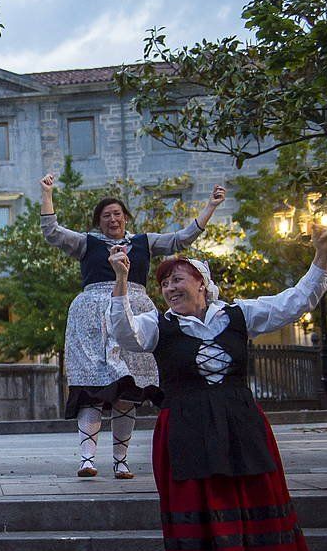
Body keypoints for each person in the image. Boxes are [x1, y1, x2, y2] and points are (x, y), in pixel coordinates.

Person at [109, 223, 327, 551]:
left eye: (179, 278)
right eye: (165, 281)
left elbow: (294, 302)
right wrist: (119, 281)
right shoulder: (159, 325)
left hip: (242, 433)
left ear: (201, 283)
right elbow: (126, 335)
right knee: (210, 545)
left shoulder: (238, 314)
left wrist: (322, 257)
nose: (171, 287)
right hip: (189, 435)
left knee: (253, 544)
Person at [40, 174, 227, 478]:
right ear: (98, 222)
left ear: (126, 217)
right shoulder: (87, 243)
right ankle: (87, 459)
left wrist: (211, 206)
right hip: (92, 317)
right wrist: (47, 193)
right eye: (106, 215)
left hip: (134, 311)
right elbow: (52, 232)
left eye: (117, 214)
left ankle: (120, 461)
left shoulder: (144, 243)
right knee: (94, 387)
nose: (112, 219)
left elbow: (182, 238)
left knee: (129, 390)